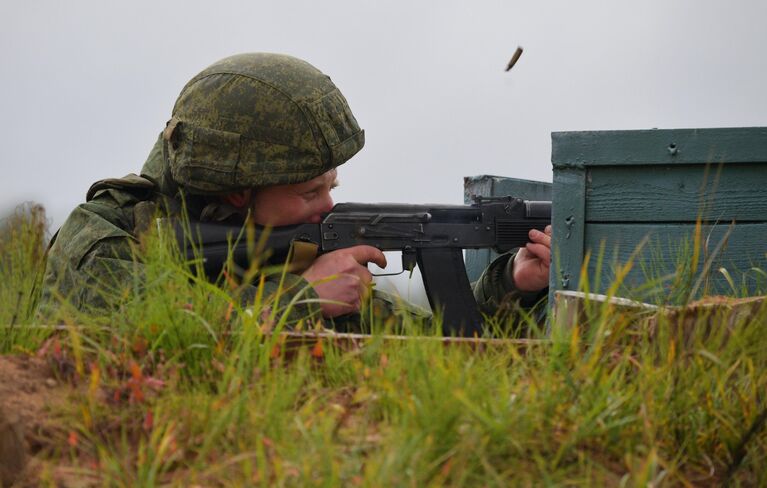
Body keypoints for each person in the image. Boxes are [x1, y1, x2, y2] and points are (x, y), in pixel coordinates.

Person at [37, 53, 551, 328]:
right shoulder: (104, 238)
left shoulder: (294, 258)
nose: (329, 207)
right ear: (238, 191)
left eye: (332, 186)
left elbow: (447, 350)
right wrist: (301, 300)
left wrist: (512, 281)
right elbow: (153, 334)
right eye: (309, 193)